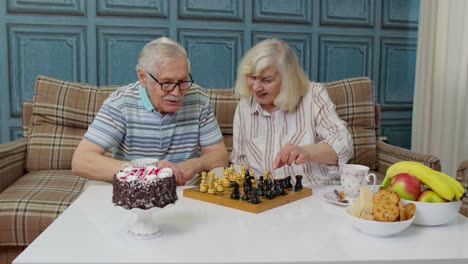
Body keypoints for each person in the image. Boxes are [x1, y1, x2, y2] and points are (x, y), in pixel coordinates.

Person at [72, 37, 229, 185]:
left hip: (184, 187)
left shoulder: (198, 98)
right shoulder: (121, 103)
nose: (176, 93)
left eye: (182, 81)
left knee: (220, 174)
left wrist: (196, 164)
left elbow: (220, 155)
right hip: (135, 186)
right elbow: (81, 161)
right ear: (142, 77)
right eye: (166, 83)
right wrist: (149, 173)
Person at [230, 38, 353, 186]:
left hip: (314, 192)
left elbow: (343, 146)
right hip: (268, 199)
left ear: (288, 79)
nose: (256, 87)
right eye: (252, 77)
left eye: (266, 80)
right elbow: (239, 164)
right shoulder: (244, 107)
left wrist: (306, 152)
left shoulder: (313, 95)